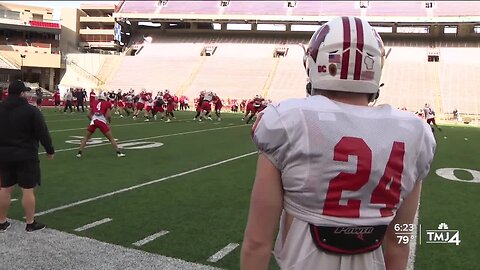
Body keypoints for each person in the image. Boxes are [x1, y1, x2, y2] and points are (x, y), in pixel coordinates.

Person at [241, 16, 436, 270]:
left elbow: (258, 241)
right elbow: (399, 240)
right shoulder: (414, 132)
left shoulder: (287, 120)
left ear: (315, 63)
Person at [0, 80, 55, 232]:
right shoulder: (31, 111)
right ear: (22, 93)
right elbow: (42, 132)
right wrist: (50, 150)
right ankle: (30, 223)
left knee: (5, 188)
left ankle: (2, 221)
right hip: (26, 154)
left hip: (4, 155)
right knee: (27, 189)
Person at [76, 92, 125, 158]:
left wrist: (93, 120)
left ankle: (79, 153)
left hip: (94, 121)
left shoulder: (94, 103)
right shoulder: (107, 103)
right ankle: (118, 153)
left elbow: (88, 115)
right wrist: (108, 122)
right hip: (101, 121)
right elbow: (108, 115)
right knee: (111, 138)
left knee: (86, 137)